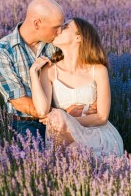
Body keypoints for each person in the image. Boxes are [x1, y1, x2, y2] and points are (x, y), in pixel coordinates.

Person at [0, 0, 95, 139]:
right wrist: (62, 114)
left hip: (71, 117)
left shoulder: (56, 43)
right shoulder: (2, 52)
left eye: (62, 27)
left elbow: (85, 66)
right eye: (56, 27)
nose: (60, 32)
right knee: (41, 158)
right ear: (37, 24)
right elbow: (20, 102)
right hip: (27, 123)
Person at [29, 17, 124, 159]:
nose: (59, 30)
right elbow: (43, 111)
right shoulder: (49, 71)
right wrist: (33, 73)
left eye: (66, 27)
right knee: (71, 144)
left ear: (78, 37)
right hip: (63, 135)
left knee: (74, 147)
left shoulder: (98, 70)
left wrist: (67, 120)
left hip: (96, 134)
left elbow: (102, 117)